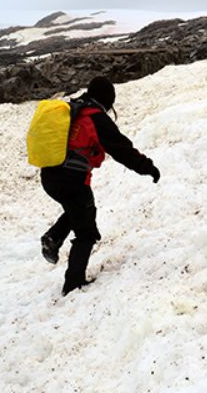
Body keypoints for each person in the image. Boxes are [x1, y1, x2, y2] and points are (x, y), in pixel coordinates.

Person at [39, 76, 160, 296]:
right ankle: (73, 284)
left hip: (49, 176)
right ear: (106, 99)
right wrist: (148, 167)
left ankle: (53, 238)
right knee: (86, 231)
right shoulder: (96, 118)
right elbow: (123, 150)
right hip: (71, 180)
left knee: (79, 210)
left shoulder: (71, 108)